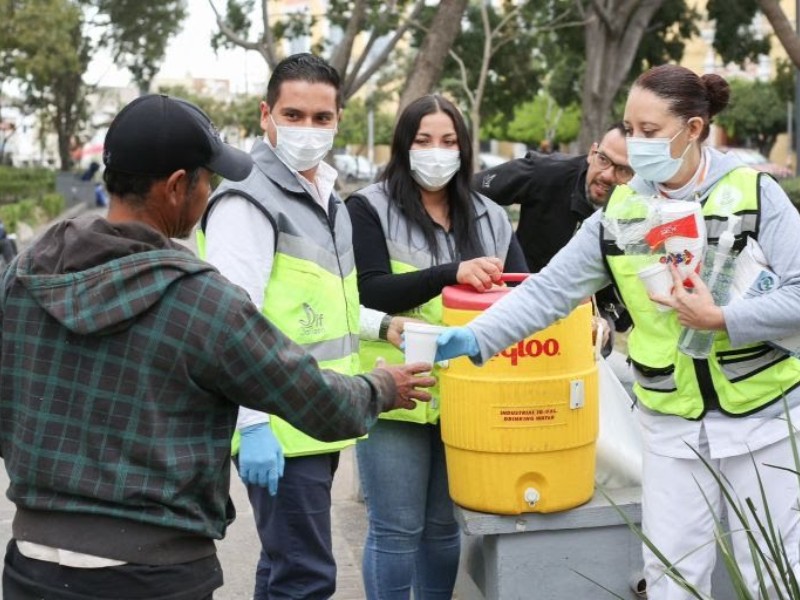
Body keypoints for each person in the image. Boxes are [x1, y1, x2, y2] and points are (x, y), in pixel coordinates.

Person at [0, 93, 435, 600]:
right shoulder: (196, 298)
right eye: (208, 179)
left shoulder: (26, 277)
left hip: (33, 564)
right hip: (153, 574)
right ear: (177, 186)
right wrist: (381, 386)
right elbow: (314, 397)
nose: (212, 192)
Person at [436, 64, 800, 600]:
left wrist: (722, 319)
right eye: (629, 129)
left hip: (764, 420)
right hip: (671, 427)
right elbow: (548, 291)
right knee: (675, 579)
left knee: (773, 573)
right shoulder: (620, 214)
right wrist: (479, 337)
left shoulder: (755, 194)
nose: (635, 144)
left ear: (694, 129)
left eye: (649, 132)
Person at [200, 53, 408, 600]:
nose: (308, 130)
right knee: (307, 578)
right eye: (293, 115)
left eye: (321, 118)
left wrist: (386, 326)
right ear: (266, 115)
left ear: (339, 118)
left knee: (284, 570)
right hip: (279, 428)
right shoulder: (248, 201)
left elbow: (325, 307)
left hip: (317, 417)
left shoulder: (327, 200)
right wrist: (252, 427)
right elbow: (229, 323)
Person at [346, 94, 528, 600]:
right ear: (404, 146)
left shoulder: (490, 216)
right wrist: (451, 272)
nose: (436, 152)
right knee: (396, 531)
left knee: (446, 531)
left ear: (464, 149)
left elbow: (525, 292)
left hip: (470, 402)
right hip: (397, 396)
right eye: (424, 140)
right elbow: (369, 290)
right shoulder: (369, 208)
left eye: (448, 141)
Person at [474, 122, 635, 343]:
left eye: (623, 169)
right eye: (603, 159)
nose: (607, 175)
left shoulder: (642, 208)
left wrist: (607, 320)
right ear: (592, 152)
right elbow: (468, 192)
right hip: (520, 306)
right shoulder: (545, 173)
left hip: (589, 321)